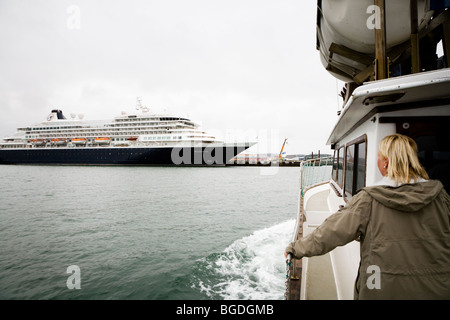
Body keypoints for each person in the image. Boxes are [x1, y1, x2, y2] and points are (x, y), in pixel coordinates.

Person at [284, 134, 450, 299]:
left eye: (378, 156)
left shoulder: (368, 200)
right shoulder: (440, 196)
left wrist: (295, 249)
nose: (377, 161)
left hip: (381, 289)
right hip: (437, 289)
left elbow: (330, 233)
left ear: (386, 162)